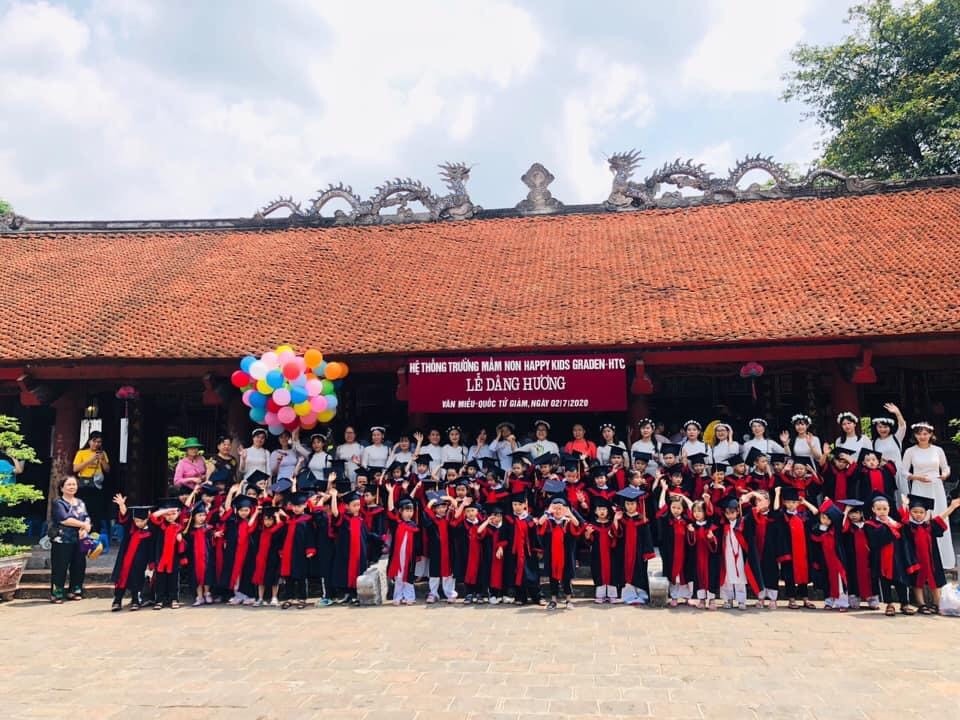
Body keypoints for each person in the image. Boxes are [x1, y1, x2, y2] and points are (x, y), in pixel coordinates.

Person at [902, 421, 954, 570]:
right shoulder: (910, 451)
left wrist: (945, 474)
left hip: (936, 486)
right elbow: (903, 471)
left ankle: (944, 559)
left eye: (925, 433)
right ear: (915, 435)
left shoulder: (938, 450)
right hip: (919, 487)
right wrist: (916, 477)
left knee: (939, 517)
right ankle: (922, 559)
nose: (922, 436)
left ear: (931, 434)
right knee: (920, 519)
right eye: (919, 434)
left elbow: (945, 467)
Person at [774, 486, 818, 609]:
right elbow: (775, 510)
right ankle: (791, 599)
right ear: (784, 503)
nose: (791, 505)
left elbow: (816, 512)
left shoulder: (802, 516)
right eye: (788, 502)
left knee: (804, 575)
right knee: (789, 576)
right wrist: (777, 493)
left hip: (803, 551)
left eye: (794, 502)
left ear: (798, 503)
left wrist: (805, 502)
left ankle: (805, 599)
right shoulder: (783, 516)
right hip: (789, 552)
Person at [49, 475, 91, 603]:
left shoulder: (80, 503)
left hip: (79, 539)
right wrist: (83, 524)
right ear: (62, 488)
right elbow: (64, 519)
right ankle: (57, 593)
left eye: (74, 484)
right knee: (60, 567)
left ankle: (75, 590)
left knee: (79, 565)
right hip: (62, 539)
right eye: (69, 484)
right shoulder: (58, 503)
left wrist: (86, 527)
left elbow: (86, 517)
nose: (72, 487)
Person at [536, 496, 581, 610]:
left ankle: (568, 600)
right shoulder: (548, 522)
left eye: (560, 508)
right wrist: (547, 512)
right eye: (555, 508)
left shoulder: (568, 522)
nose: (557, 511)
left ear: (565, 509)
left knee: (567, 578)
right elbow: (540, 524)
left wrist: (570, 514)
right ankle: (553, 600)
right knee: (553, 578)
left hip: (566, 555)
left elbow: (577, 525)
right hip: (552, 555)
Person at [109, 496, 153, 611]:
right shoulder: (130, 528)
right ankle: (117, 600)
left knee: (137, 580)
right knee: (121, 579)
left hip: (140, 561)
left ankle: (135, 600)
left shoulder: (150, 531)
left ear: (147, 519)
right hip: (125, 559)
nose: (138, 523)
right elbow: (124, 517)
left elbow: (152, 548)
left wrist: (151, 563)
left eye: (141, 521)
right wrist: (122, 505)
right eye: (136, 520)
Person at [71, 431, 110, 553]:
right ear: (89, 441)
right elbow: (75, 468)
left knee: (96, 513)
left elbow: (107, 470)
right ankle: (81, 539)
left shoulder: (102, 453)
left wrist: (102, 460)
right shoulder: (81, 453)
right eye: (94, 441)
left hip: (96, 486)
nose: (96, 444)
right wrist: (91, 459)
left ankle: (94, 541)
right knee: (82, 511)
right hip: (83, 485)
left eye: (99, 442)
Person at [150, 498, 186, 609]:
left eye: (173, 514)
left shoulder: (179, 527)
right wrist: (167, 510)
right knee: (160, 581)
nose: (170, 516)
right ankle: (159, 601)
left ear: (178, 513)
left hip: (174, 558)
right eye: (168, 514)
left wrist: (181, 540)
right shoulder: (160, 525)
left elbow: (184, 545)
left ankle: (174, 599)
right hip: (161, 557)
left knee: (173, 581)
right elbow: (153, 516)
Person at [583, 497, 618, 603]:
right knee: (598, 571)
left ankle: (612, 595)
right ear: (595, 511)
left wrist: (613, 534)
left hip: (611, 552)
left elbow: (617, 536)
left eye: (604, 509)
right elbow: (588, 541)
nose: (602, 511)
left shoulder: (611, 523)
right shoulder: (592, 525)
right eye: (599, 509)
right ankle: (600, 595)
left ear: (608, 511)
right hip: (597, 553)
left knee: (612, 571)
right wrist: (588, 534)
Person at [386, 494, 419, 605]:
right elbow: (390, 510)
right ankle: (398, 597)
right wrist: (391, 493)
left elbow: (417, 543)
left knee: (409, 576)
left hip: (409, 557)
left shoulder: (414, 526)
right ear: (400, 511)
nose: (409, 513)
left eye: (411, 510)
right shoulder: (396, 523)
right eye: (407, 510)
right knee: (398, 576)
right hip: (398, 556)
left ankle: (409, 597)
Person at [871, 403, 908, 496]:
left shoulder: (896, 437)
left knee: (903, 498)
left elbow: (902, 426)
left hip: (898, 474)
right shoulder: (874, 442)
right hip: (884, 474)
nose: (882, 429)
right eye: (880, 427)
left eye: (885, 427)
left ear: (890, 427)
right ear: (876, 428)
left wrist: (897, 413)